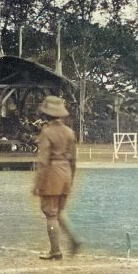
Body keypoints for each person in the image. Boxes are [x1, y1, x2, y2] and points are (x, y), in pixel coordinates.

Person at [33, 96, 82, 260]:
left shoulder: (46, 133)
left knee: (50, 213)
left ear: (46, 115)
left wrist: (37, 184)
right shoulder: (69, 132)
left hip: (52, 175)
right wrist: (71, 178)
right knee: (60, 211)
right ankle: (75, 239)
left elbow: (43, 161)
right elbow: (74, 160)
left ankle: (55, 251)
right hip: (66, 172)